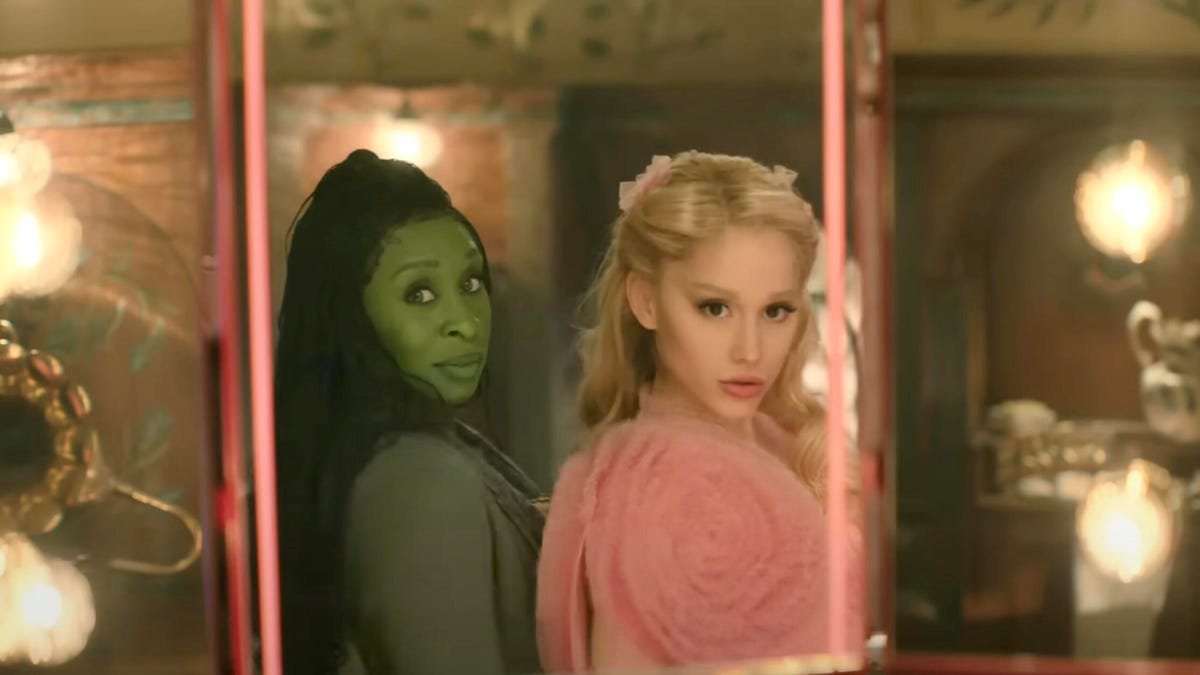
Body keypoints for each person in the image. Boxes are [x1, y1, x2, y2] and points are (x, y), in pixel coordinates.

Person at [537, 151, 862, 671]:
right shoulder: (657, 484)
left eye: (775, 310)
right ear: (645, 301)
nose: (750, 350)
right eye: (715, 308)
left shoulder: (783, 441)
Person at [273, 149, 544, 674]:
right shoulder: (421, 480)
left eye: (471, 283)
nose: (464, 322)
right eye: (419, 294)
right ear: (351, 317)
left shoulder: (431, 449)